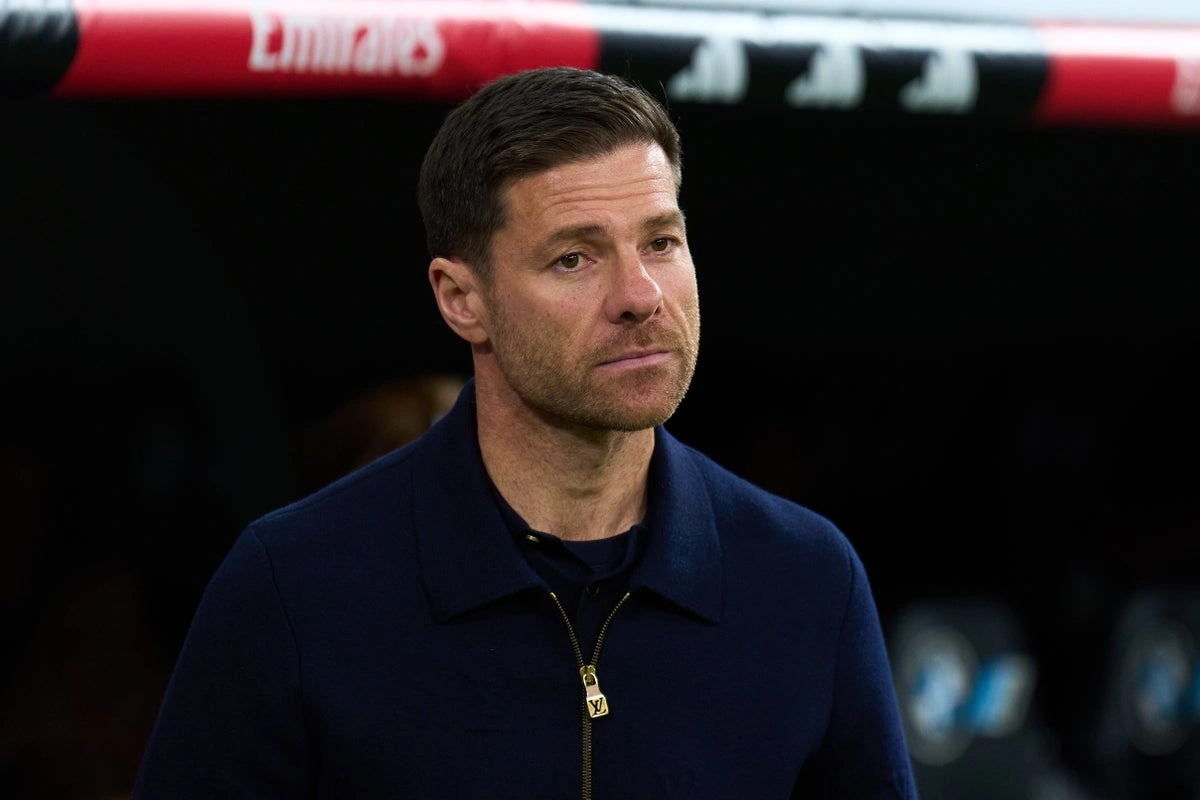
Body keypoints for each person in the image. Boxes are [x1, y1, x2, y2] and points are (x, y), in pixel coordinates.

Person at [133, 66, 918, 799]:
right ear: (461, 300)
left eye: (661, 242)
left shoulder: (807, 580)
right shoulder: (294, 587)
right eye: (574, 258)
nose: (641, 295)